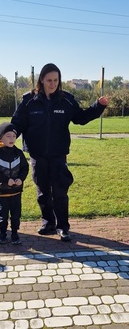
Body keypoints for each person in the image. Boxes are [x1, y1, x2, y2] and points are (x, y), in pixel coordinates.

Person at [11, 63, 109, 242]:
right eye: (49, 80)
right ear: (41, 79)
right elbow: (17, 123)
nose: (52, 84)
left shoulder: (67, 100)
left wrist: (98, 106)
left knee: (60, 191)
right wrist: (9, 135)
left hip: (58, 155)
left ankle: (63, 227)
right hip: (37, 155)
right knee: (43, 192)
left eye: (56, 80)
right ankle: (48, 222)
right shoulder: (28, 101)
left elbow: (81, 118)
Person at [0, 122, 29, 245]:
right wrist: (6, 180)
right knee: (3, 215)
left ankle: (15, 233)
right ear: (1, 138)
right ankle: (2, 234)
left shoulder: (18, 153)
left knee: (16, 214)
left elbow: (25, 168)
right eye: (8, 136)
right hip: (3, 191)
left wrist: (21, 179)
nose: (12, 139)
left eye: (14, 136)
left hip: (16, 191)